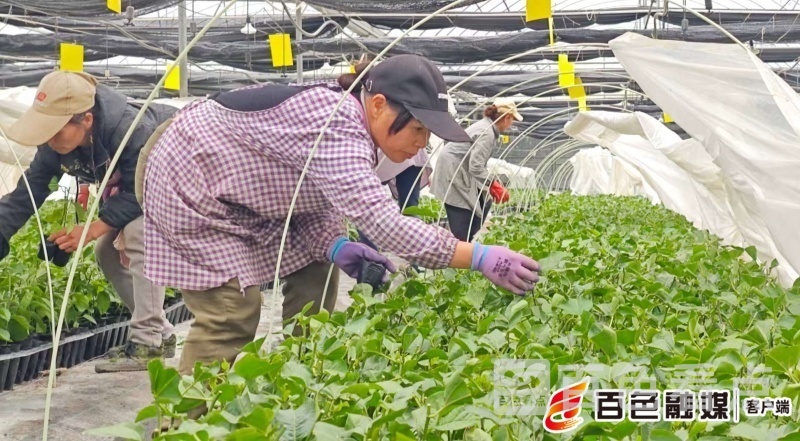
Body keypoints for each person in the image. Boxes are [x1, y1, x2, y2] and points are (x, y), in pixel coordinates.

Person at [139, 54, 540, 377]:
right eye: (417, 129)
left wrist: (335, 244)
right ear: (379, 105)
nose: (422, 144)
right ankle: (184, 425)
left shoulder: (351, 125)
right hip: (185, 174)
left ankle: (299, 373)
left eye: (427, 135)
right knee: (232, 312)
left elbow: (311, 196)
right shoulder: (339, 124)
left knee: (319, 268)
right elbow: (385, 225)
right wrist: (478, 256)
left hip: (244, 192)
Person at [0, 71, 178, 373]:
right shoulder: (54, 147)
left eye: (56, 131)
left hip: (173, 186)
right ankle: (161, 333)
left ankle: (146, 342)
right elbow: (28, 193)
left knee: (139, 235)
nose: (49, 139)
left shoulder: (132, 130)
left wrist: (93, 228)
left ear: (86, 120)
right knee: (106, 251)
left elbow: (143, 190)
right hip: (135, 192)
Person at [430, 98, 522, 242]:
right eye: (512, 120)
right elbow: (476, 166)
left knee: (483, 203)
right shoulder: (487, 133)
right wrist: (493, 184)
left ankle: (466, 241)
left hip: (459, 168)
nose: (511, 124)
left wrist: (490, 185)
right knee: (462, 212)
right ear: (507, 118)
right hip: (453, 170)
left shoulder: (487, 127)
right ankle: (461, 244)